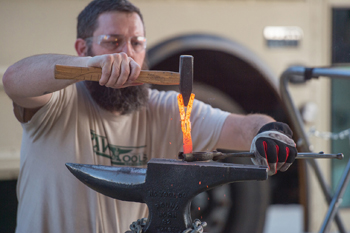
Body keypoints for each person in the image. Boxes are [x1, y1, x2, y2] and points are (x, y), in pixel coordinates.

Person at [2, 0, 297, 232]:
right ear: (83, 48)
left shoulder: (168, 109)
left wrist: (269, 131)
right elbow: (14, 79)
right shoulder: (57, 104)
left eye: (137, 43)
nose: (127, 55)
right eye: (112, 41)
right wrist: (91, 64)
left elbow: (244, 127)